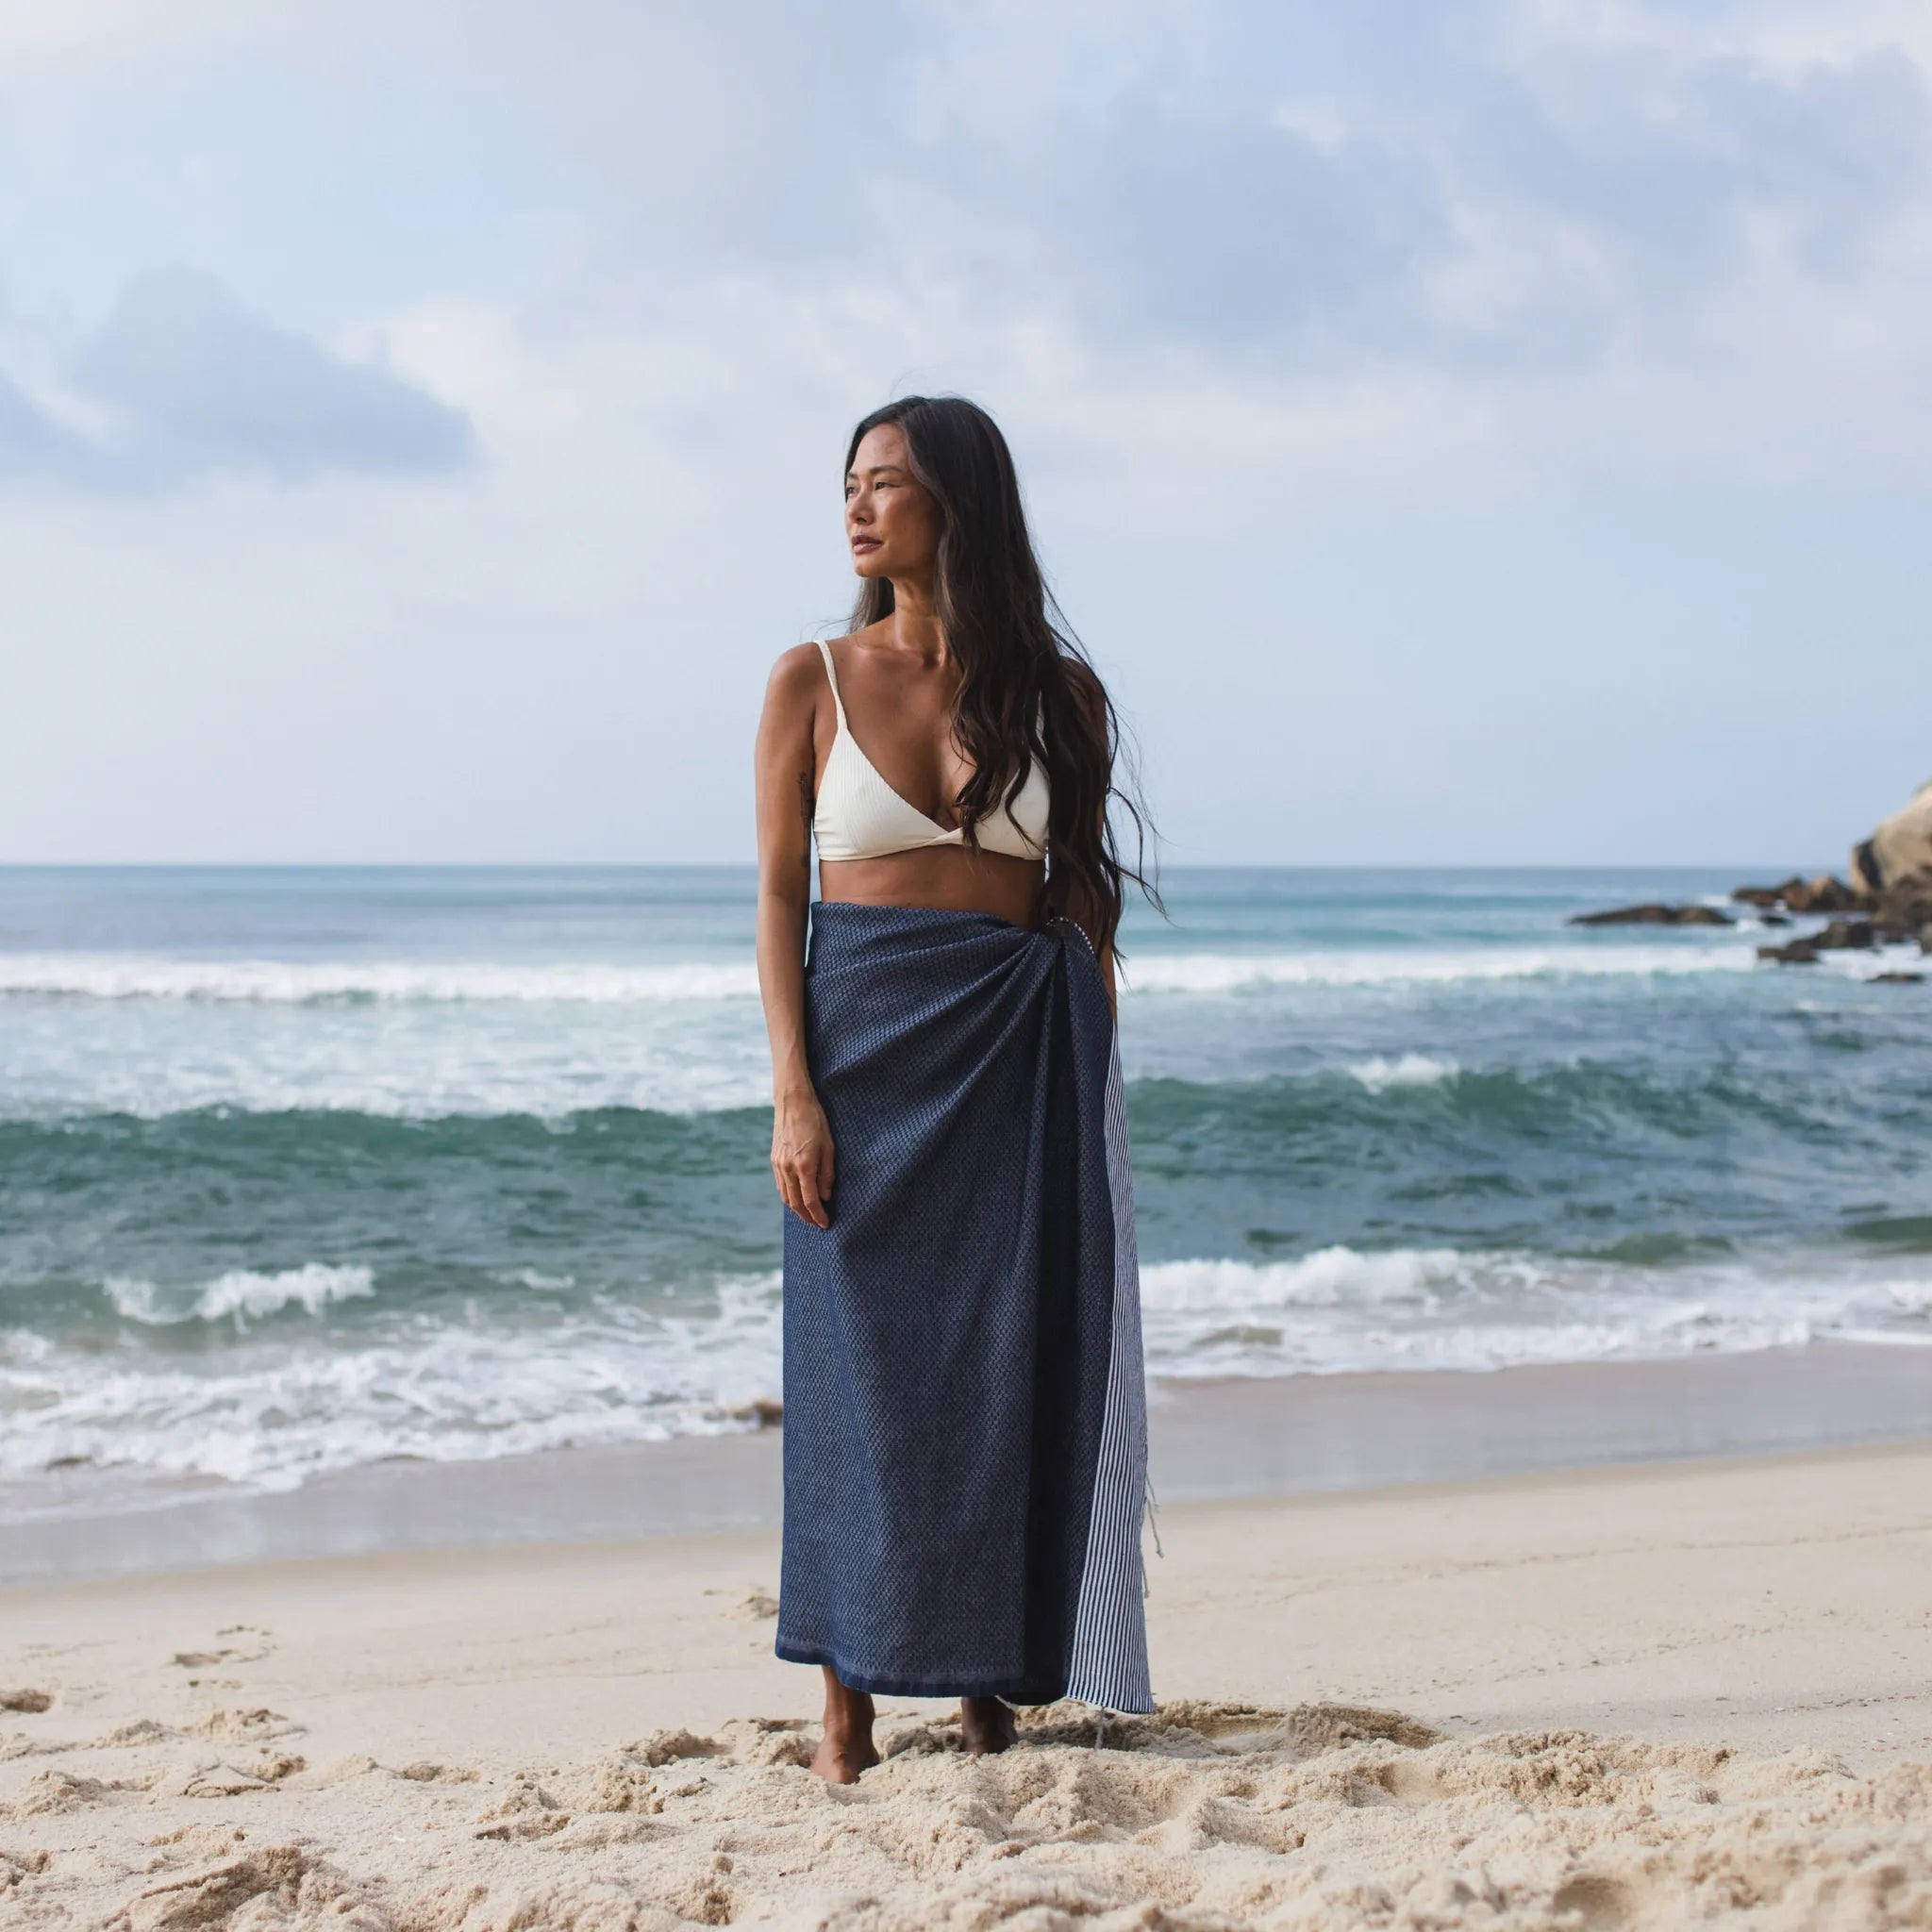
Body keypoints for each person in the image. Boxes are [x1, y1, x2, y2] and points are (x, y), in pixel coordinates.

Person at [752, 394, 1158, 1785]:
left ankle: (986, 1689)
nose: (858, 509)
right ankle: (846, 1702)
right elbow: (771, 905)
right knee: (859, 1380)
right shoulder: (808, 678)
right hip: (864, 1056)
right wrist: (792, 1093)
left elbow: (1081, 892)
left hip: (1015, 1062)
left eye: (886, 485)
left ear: (958, 505)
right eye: (850, 485)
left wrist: (1090, 1048)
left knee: (998, 1369)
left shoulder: (1063, 693)